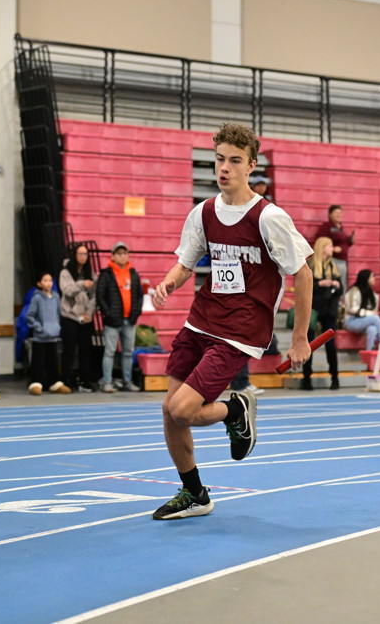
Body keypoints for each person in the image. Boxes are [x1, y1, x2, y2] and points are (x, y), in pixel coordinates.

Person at [150, 122, 313, 520]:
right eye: (220, 159)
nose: (224, 168)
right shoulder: (204, 212)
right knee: (169, 410)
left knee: (183, 410)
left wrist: (299, 339)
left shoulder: (268, 217)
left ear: (251, 166)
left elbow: (304, 273)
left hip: (240, 330)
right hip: (201, 319)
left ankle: (235, 409)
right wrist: (169, 283)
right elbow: (186, 263)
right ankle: (195, 494)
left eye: (235, 161)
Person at [96, 242, 143, 394]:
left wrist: (135, 313)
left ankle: (127, 381)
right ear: (113, 256)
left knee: (128, 352)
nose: (122, 256)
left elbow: (139, 296)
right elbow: (100, 296)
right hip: (112, 321)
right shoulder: (106, 274)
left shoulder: (133, 274)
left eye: (125, 253)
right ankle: (107, 382)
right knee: (109, 352)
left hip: (129, 320)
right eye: (119, 253)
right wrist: (108, 313)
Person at [300, 237, 343, 391]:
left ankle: (335, 377)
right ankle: (306, 378)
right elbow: (304, 286)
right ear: (322, 247)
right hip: (313, 309)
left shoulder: (333, 266)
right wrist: (320, 284)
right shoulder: (311, 265)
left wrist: (336, 286)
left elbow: (341, 290)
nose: (332, 248)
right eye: (330, 246)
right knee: (309, 345)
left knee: (331, 346)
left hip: (330, 310)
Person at [59, 243, 98, 392]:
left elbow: (94, 295)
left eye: (86, 254)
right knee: (69, 350)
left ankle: (84, 380)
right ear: (74, 255)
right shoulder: (66, 272)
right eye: (80, 254)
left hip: (85, 317)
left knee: (85, 350)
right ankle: (67, 379)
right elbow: (68, 290)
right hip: (70, 316)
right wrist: (82, 284)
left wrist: (89, 312)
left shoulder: (90, 273)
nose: (83, 257)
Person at [26, 272, 70, 395]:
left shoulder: (56, 297)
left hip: (53, 336)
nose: (48, 283)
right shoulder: (37, 298)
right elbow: (30, 316)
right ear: (39, 283)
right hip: (40, 337)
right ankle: (36, 384)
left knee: (53, 361)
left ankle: (54, 383)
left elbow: (59, 313)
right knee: (38, 361)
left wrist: (57, 326)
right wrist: (39, 328)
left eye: (50, 280)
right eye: (45, 280)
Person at [313, 204, 354, 286]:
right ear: (330, 214)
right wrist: (333, 248)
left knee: (342, 284)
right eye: (336, 212)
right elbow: (320, 241)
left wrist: (350, 240)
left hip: (343, 260)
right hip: (333, 259)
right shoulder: (326, 227)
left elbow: (343, 242)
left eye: (340, 212)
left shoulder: (340, 228)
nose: (339, 215)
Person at [343, 268, 380, 351]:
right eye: (372, 276)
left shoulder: (374, 295)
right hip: (351, 320)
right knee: (376, 319)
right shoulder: (353, 291)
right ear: (366, 278)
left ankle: (369, 352)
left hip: (365, 321)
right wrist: (369, 313)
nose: (374, 278)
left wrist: (371, 313)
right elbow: (352, 309)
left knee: (372, 329)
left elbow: (374, 310)